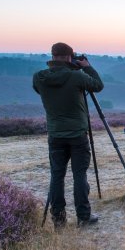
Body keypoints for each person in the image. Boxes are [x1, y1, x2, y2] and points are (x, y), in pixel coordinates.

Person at [33, 42, 104, 228]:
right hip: (77, 134)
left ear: (52, 56)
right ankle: (83, 217)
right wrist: (87, 67)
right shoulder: (76, 77)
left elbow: (43, 88)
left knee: (57, 175)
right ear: (68, 57)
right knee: (79, 174)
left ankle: (58, 219)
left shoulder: (39, 78)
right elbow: (97, 86)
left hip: (55, 134)